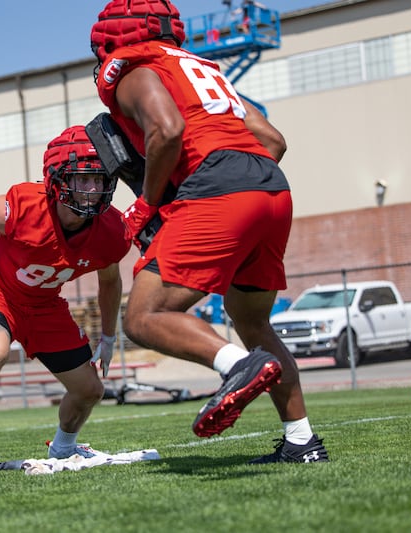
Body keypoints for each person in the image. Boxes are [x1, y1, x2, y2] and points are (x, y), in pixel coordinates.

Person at [90, 0, 329, 463]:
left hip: (218, 185)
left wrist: (150, 203)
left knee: (143, 316)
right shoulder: (203, 70)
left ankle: (238, 365)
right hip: (272, 188)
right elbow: (273, 141)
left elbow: (168, 128)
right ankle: (302, 443)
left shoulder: (136, 69)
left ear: (109, 39)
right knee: (254, 321)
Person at [0, 125, 130, 475]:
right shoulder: (25, 205)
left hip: (45, 307)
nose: (94, 189)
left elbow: (110, 282)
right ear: (58, 180)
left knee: (90, 390)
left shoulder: (111, 229)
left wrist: (108, 337)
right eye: (83, 179)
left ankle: (64, 447)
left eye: (100, 179)